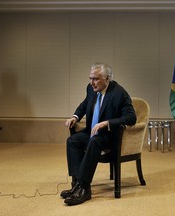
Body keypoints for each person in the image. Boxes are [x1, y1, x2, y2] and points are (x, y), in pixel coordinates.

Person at [61, 62, 137, 206]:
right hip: (92, 131)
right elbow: (84, 104)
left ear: (107, 79)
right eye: (90, 78)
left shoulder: (120, 93)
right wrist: (75, 117)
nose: (92, 82)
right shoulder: (91, 89)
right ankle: (77, 184)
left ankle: (84, 188)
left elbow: (131, 117)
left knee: (94, 141)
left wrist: (107, 122)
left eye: (96, 79)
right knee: (73, 141)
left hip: (109, 136)